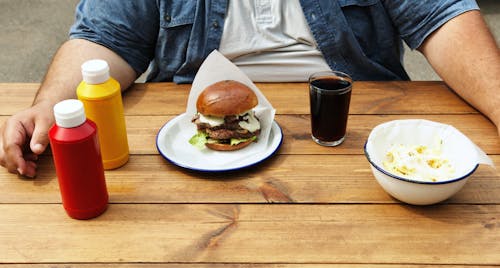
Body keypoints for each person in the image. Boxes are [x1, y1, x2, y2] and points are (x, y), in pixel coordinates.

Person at [1, 0, 499, 178]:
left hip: (353, 128)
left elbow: (441, 17)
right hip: (187, 149)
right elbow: (106, 39)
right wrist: (50, 107)